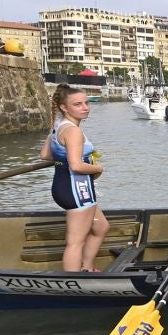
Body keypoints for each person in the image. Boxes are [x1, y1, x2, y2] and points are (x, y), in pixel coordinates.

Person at [39, 85, 108, 272]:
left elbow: (45, 155)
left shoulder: (58, 126)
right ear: (64, 107)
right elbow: (76, 165)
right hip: (76, 188)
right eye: (77, 104)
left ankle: (86, 267)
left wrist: (65, 155)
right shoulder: (74, 132)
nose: (85, 107)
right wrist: (97, 168)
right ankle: (74, 279)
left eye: (86, 102)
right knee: (75, 242)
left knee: (100, 227)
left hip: (65, 186)